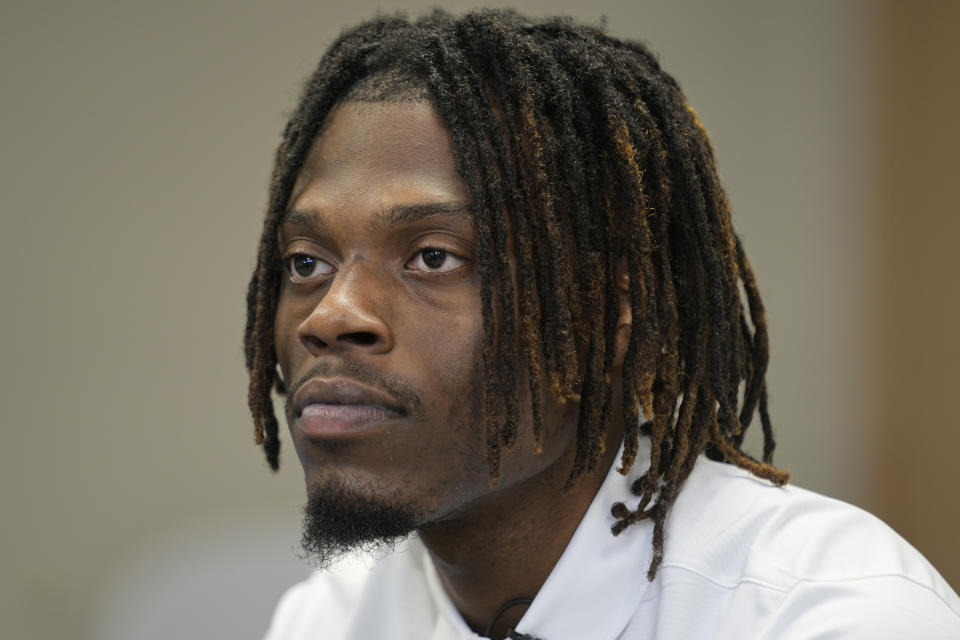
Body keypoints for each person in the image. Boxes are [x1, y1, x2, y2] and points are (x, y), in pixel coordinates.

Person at [245, 9, 960, 639]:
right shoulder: (329, 620)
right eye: (306, 263)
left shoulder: (832, 618)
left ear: (612, 310)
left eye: (434, 256)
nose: (332, 315)